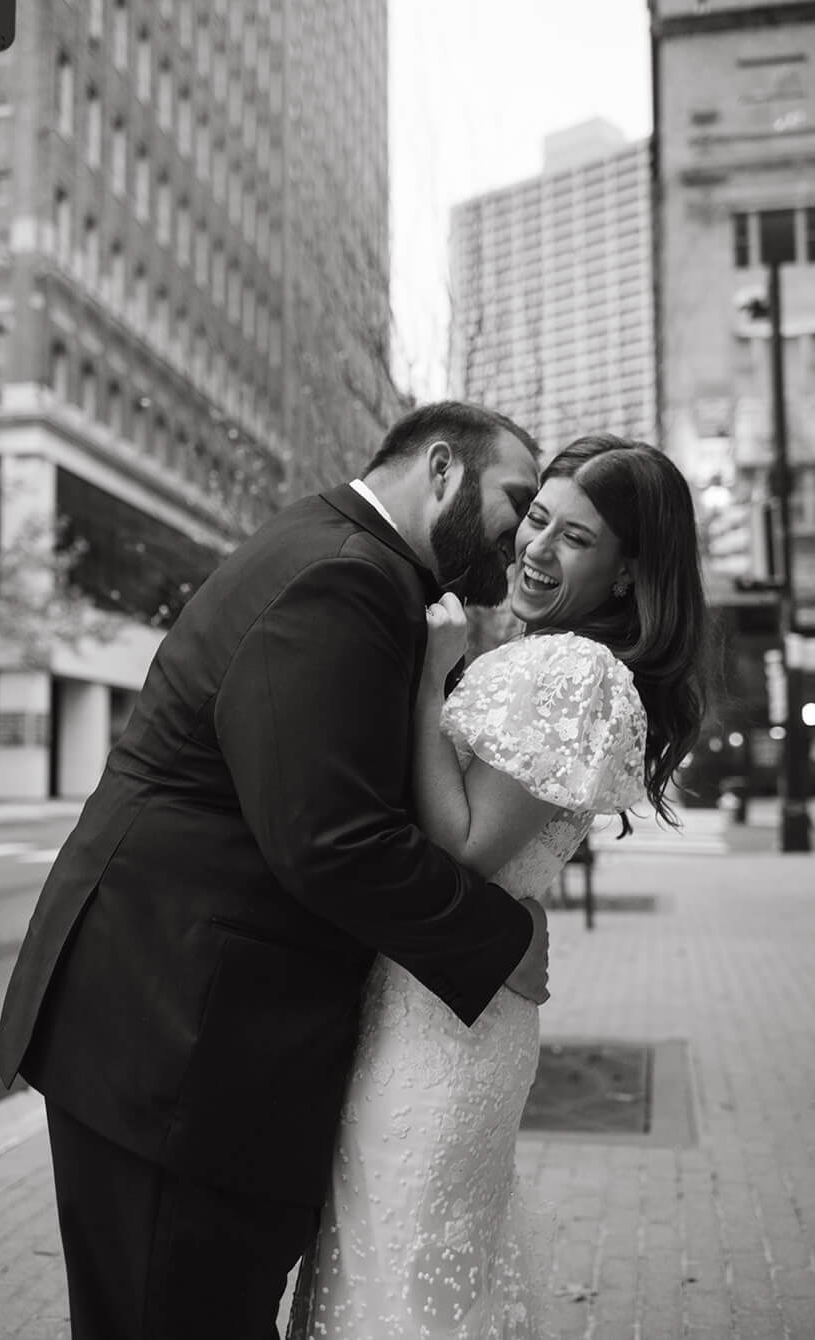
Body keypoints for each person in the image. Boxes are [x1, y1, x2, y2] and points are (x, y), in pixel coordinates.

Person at [0, 401, 552, 1338]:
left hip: (178, 1033)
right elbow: (328, 835)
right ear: (443, 468)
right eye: (518, 499)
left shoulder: (348, 558)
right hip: (176, 1044)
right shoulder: (346, 576)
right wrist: (498, 938)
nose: (520, 532)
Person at [288, 434, 709, 1336]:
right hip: (434, 1003)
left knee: (399, 1281)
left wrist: (429, 682)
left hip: (443, 1030)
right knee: (398, 1268)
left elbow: (468, 849)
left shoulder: (577, 669)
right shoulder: (543, 654)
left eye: (576, 539)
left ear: (631, 576)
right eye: (538, 519)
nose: (535, 547)